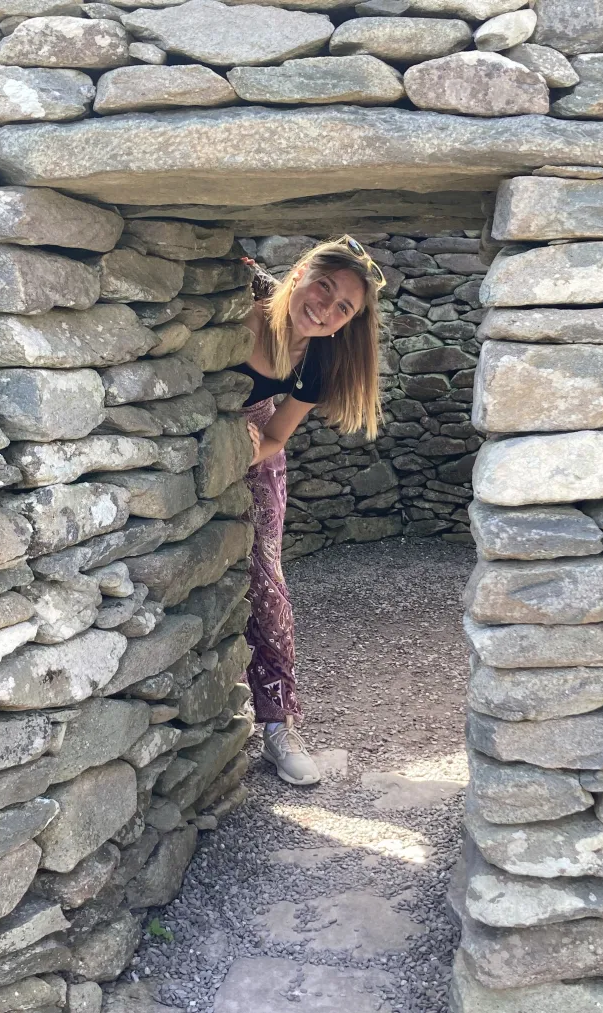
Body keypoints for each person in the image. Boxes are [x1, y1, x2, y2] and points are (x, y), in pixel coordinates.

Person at [233, 236, 384, 786]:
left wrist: (250, 449)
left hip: (253, 454)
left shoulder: (318, 360)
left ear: (347, 322)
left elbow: (276, 434)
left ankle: (278, 724)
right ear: (300, 275)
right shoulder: (234, 304)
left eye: (343, 306)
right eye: (325, 286)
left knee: (266, 580)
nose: (326, 307)